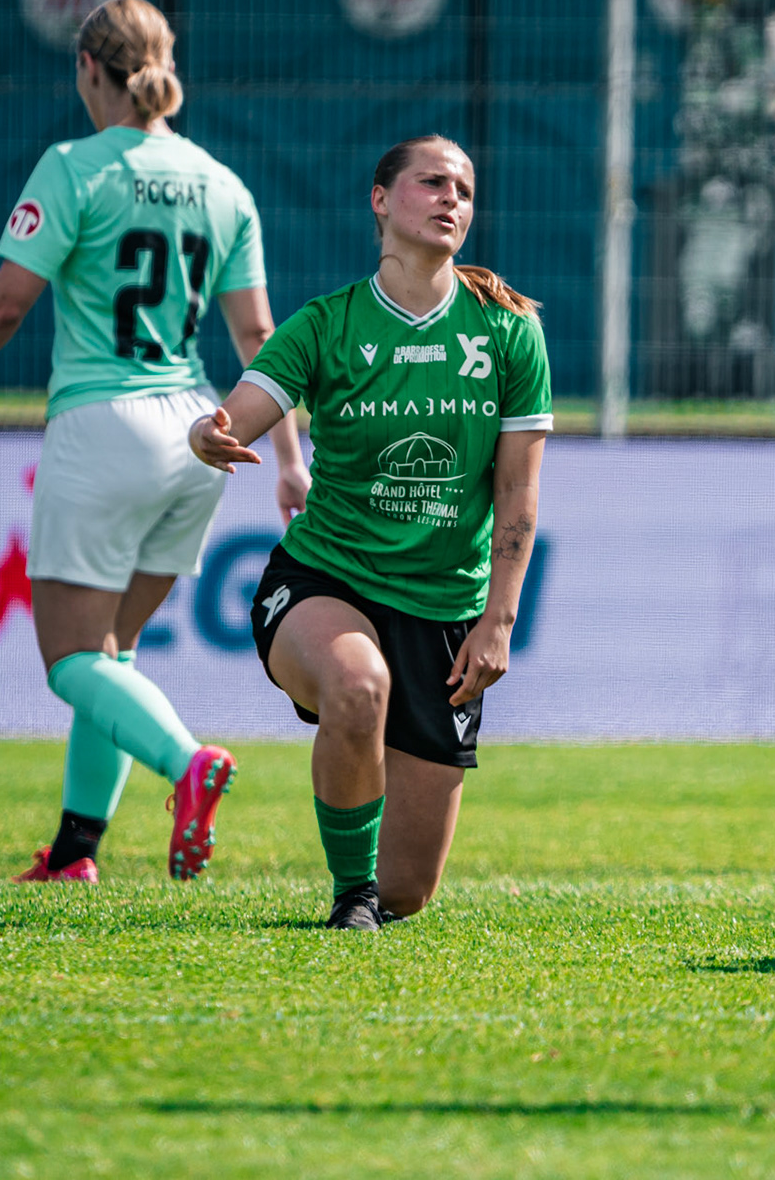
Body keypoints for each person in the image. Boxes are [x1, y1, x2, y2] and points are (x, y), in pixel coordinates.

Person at [0, 0, 309, 884]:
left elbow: (7, 304)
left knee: (72, 661)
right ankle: (75, 853)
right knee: (112, 655)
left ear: (88, 70)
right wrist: (289, 457)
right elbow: (260, 339)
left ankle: (189, 763)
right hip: (197, 432)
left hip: (103, 427)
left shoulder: (75, 167)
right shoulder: (222, 184)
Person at [188, 135, 551, 931]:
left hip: (445, 613)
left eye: (463, 186)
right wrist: (205, 435)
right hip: (325, 580)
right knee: (359, 688)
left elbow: (519, 489)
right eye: (430, 182)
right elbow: (239, 410)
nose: (450, 197)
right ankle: (347, 900)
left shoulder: (510, 332)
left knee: (410, 893)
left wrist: (497, 620)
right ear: (381, 200)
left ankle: (373, 889)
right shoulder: (328, 324)